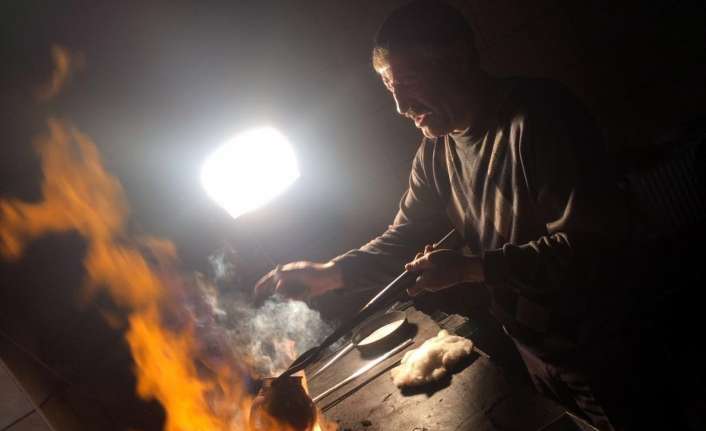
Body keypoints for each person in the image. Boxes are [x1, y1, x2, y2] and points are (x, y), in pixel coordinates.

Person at [255, 1, 633, 429]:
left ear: (457, 60)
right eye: (388, 88)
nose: (399, 105)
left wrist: (471, 269)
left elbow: (590, 248)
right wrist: (328, 273)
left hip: (604, 345)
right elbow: (403, 238)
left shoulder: (539, 118)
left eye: (409, 82)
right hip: (534, 350)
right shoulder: (436, 154)